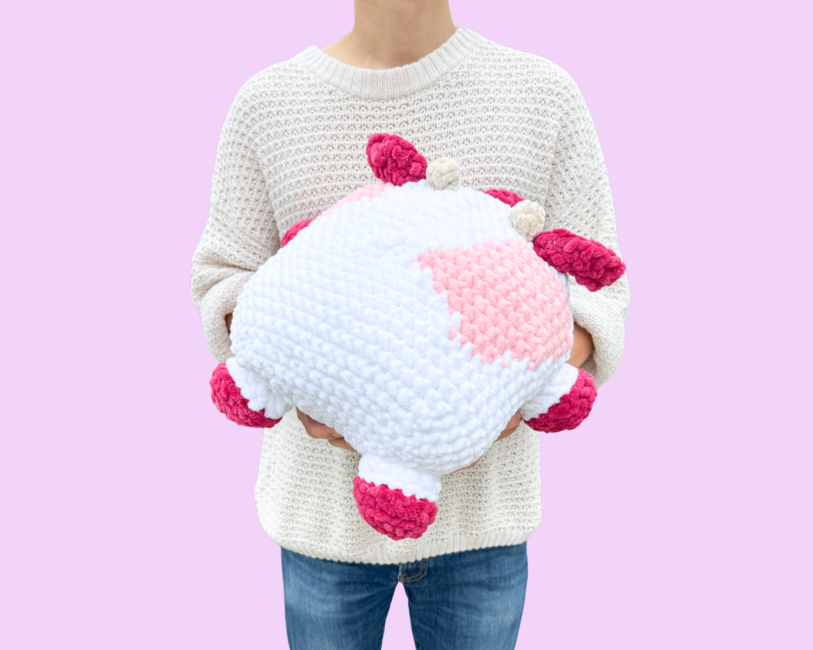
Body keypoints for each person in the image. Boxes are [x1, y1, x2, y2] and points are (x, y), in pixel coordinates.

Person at [191, 1, 630, 648]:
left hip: (484, 527)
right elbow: (222, 276)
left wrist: (499, 397)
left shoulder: (542, 96)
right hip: (322, 527)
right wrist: (314, 382)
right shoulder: (270, 105)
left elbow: (602, 283)